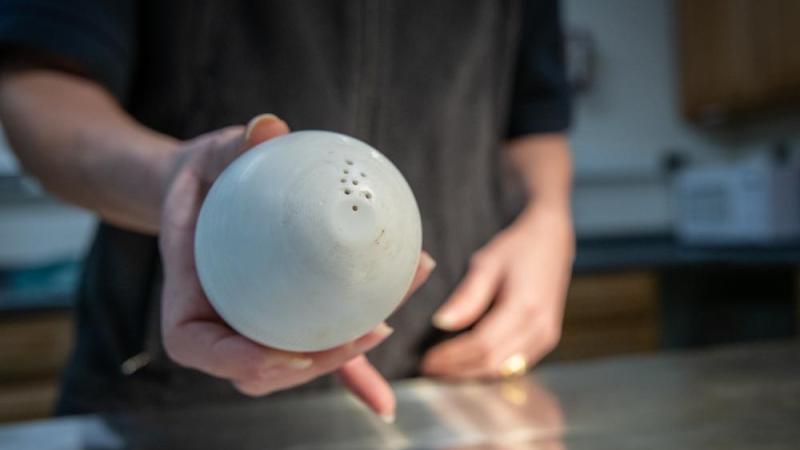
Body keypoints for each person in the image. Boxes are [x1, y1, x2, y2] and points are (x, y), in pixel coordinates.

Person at [0, 0, 574, 422]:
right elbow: (39, 88)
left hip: (441, 377)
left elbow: (535, 121)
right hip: (173, 396)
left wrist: (549, 216)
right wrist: (174, 180)